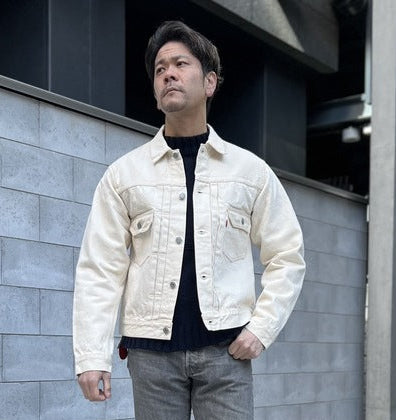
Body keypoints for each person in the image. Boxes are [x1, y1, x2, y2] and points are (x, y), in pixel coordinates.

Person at [73, 20, 305, 419]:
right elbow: (100, 269)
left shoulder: (250, 172)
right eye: (160, 69)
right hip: (151, 358)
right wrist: (92, 356)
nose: (168, 74)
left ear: (210, 82)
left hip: (226, 354)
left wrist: (261, 329)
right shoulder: (124, 175)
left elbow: (287, 255)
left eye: (180, 64)